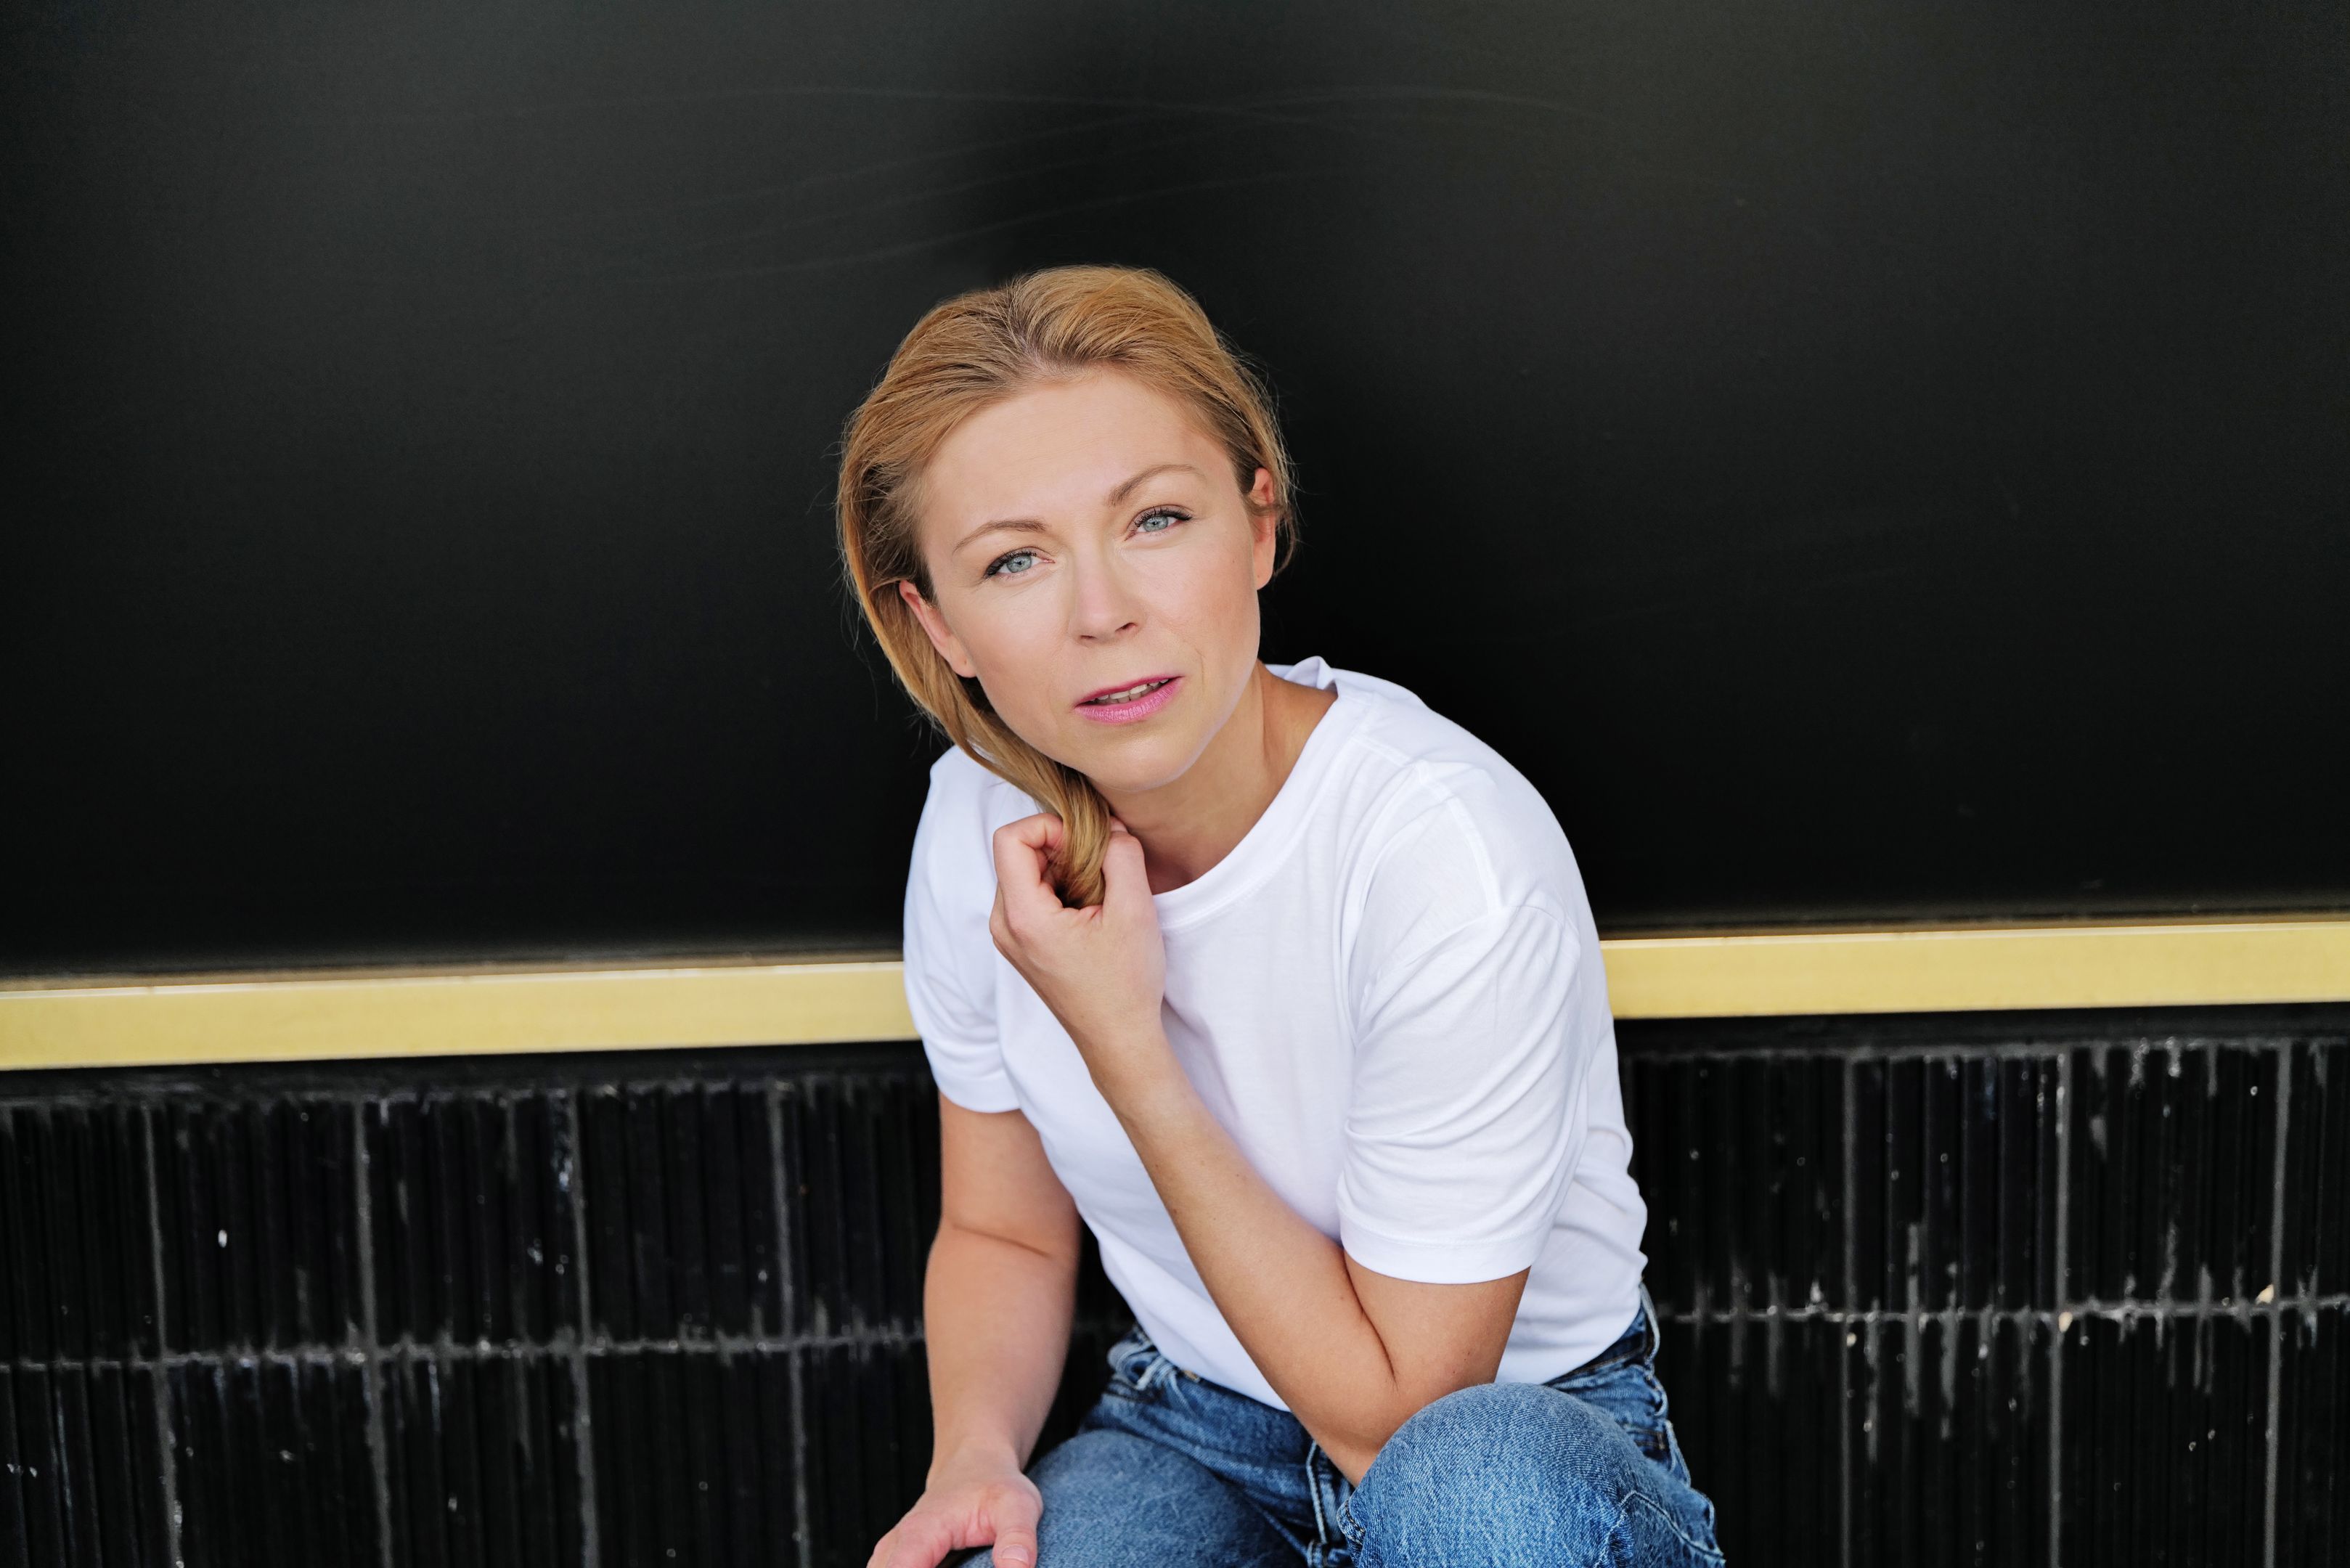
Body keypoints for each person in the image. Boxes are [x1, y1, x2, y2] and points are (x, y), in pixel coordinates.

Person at [836, 264, 1724, 1567]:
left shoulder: (1443, 854)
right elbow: (1002, 1228)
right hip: (1196, 1428)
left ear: (1258, 526)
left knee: (1472, 1493)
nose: (1101, 612)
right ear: (938, 624)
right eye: (1015, 560)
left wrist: (1122, 1039)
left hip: (1494, 1447)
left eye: (1154, 520)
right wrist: (971, 1458)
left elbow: (1401, 1427)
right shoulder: (976, 824)